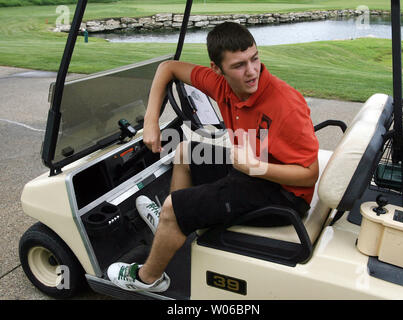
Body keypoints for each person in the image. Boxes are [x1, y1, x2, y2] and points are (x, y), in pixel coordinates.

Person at [107, 22, 319, 292]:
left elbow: (310, 174)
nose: (252, 71)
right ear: (217, 68)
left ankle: (149, 278)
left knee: (173, 205)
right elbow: (167, 68)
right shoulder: (220, 85)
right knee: (185, 151)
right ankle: (171, 227)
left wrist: (256, 168)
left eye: (255, 59)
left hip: (283, 196)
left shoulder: (285, 104)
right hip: (248, 168)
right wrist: (151, 120)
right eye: (239, 65)